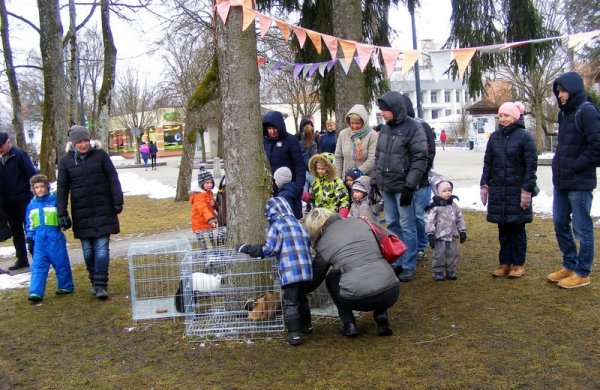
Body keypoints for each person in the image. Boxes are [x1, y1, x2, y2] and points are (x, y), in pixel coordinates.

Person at [304, 208, 399, 337]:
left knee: (331, 278)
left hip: (357, 298)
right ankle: (381, 315)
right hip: (391, 291)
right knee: (375, 269)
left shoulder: (323, 243)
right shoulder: (360, 222)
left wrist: (297, 292)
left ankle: (349, 324)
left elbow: (316, 278)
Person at [57, 125, 124, 300]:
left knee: (102, 249)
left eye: (85, 141)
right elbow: (62, 188)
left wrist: (117, 200)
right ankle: (94, 281)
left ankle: (101, 285)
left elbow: (113, 178)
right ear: (73, 143)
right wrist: (61, 212)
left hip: (104, 209)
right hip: (82, 212)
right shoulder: (66, 161)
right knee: (88, 250)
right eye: (79, 142)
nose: (83, 145)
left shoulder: (100, 155)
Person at [547, 71, 600, 288]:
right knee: (560, 223)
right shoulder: (564, 113)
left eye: (563, 90)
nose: (560, 95)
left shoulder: (587, 112)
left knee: (582, 228)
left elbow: (597, 147)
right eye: (558, 91)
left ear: (574, 90)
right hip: (562, 181)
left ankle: (582, 272)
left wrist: (575, 166)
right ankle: (569, 264)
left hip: (579, 182)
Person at [237, 197, 313, 346]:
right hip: (306, 270)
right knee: (302, 299)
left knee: (290, 302)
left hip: (290, 271)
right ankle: (307, 327)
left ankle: (294, 334)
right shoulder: (299, 224)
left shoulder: (278, 226)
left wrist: (248, 249)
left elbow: (269, 249)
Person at [372, 91, 428, 282]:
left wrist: (409, 187)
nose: (382, 114)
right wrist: (375, 181)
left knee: (408, 225)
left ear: (395, 109)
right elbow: (379, 155)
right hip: (387, 186)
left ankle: (409, 264)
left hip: (403, 187)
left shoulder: (414, 128)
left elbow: (420, 159)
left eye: (385, 110)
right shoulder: (386, 129)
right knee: (392, 224)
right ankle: (396, 260)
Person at [480, 102, 538, 279]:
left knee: (517, 231)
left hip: (517, 191)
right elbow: (488, 162)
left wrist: (527, 188)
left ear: (515, 116)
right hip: (498, 190)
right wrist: (484, 184)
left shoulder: (525, 137)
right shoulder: (494, 138)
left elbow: (531, 166)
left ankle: (518, 264)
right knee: (503, 230)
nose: (503, 119)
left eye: (506, 115)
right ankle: (504, 263)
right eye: (501, 116)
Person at [25, 175, 74, 302]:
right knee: (38, 266)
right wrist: (30, 239)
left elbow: (62, 215)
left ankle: (65, 286)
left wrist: (65, 221)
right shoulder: (32, 205)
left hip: (55, 238)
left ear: (47, 187)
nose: (40, 190)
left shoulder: (54, 201)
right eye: (36, 187)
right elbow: (29, 223)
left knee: (61, 263)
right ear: (33, 189)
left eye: (42, 186)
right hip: (39, 241)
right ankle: (36, 292)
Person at [403, 95, 436, 261]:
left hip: (422, 180)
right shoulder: (397, 127)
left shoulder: (422, 125)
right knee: (407, 216)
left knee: (419, 214)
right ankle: (411, 246)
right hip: (404, 180)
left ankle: (422, 245)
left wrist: (422, 171)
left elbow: (429, 153)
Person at [0, 132, 36, 271]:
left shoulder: (19, 154)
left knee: (29, 228)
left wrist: (33, 192)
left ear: (8, 143)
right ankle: (21, 258)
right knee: (16, 230)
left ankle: (36, 255)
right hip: (7, 202)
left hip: (23, 198)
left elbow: (31, 173)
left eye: (2, 146)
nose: (1, 149)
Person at [263, 111, 306, 219]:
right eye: (269, 129)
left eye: (275, 128)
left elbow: (299, 165)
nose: (272, 131)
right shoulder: (264, 142)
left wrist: (298, 187)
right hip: (270, 188)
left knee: (288, 218)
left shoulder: (291, 140)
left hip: (289, 188)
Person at [425, 175, 467, 281]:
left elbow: (459, 219)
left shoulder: (454, 206)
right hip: (439, 237)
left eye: (449, 190)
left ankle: (450, 270)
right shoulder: (434, 207)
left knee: (452, 254)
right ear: (437, 192)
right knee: (439, 255)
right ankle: (438, 271)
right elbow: (430, 221)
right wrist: (430, 234)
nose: (448, 193)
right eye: (444, 191)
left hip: (452, 236)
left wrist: (462, 231)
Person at [335, 104, 378, 179]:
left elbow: (372, 159)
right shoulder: (343, 134)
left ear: (364, 122)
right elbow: (338, 157)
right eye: (352, 123)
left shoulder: (372, 135)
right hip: (346, 179)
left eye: (357, 123)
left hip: (364, 180)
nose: (354, 126)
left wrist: (355, 173)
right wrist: (338, 179)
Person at [299, 118, 318, 207]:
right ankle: (314, 204)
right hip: (310, 170)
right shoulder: (313, 144)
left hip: (302, 170)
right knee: (315, 187)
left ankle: (307, 205)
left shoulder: (299, 143)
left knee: (305, 189)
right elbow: (314, 158)